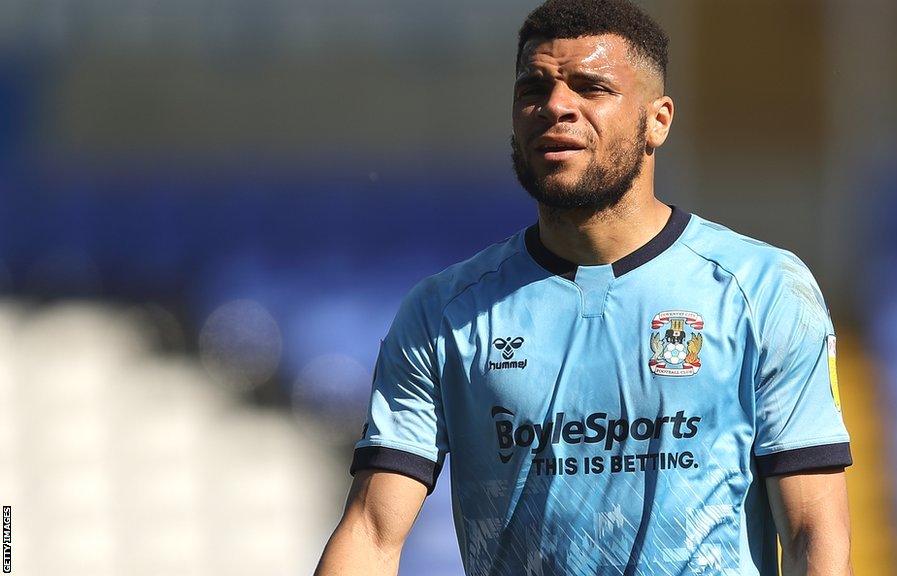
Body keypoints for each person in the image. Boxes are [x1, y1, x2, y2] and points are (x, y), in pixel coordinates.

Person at [314, 0, 853, 574]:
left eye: (590, 87)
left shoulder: (762, 290)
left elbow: (813, 534)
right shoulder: (445, 313)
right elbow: (372, 532)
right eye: (533, 89)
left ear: (658, 120)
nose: (555, 108)